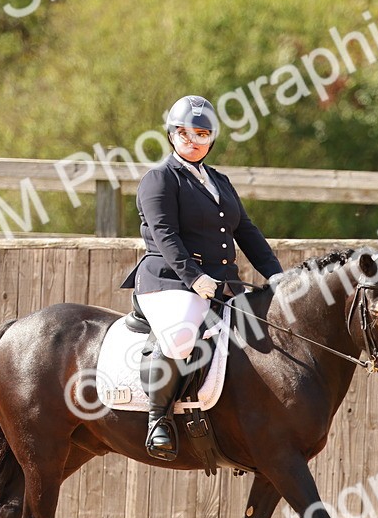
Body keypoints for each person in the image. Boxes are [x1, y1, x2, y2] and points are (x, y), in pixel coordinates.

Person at [119, 95, 284, 461]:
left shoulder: (219, 181)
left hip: (221, 283)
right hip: (169, 281)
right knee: (181, 338)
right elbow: (165, 235)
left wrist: (278, 276)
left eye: (201, 134)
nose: (192, 140)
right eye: (183, 133)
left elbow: (247, 232)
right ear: (171, 135)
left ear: (212, 139)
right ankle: (158, 420)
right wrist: (194, 277)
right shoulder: (160, 179)